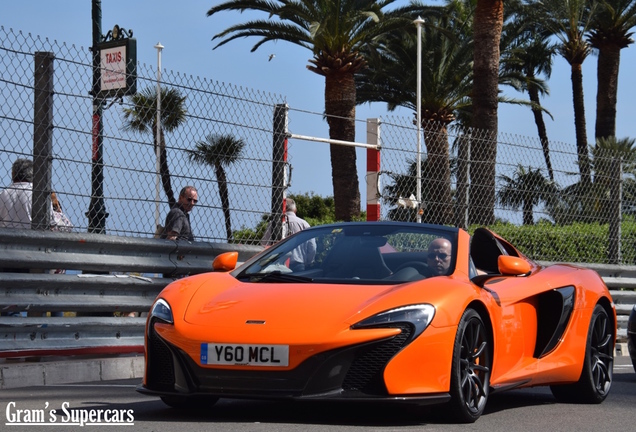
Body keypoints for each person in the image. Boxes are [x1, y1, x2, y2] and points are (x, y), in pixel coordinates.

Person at [0, 158, 34, 229]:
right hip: (33, 237)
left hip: (6, 238)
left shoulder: (2, 194)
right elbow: (52, 222)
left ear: (13, 174)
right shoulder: (37, 194)